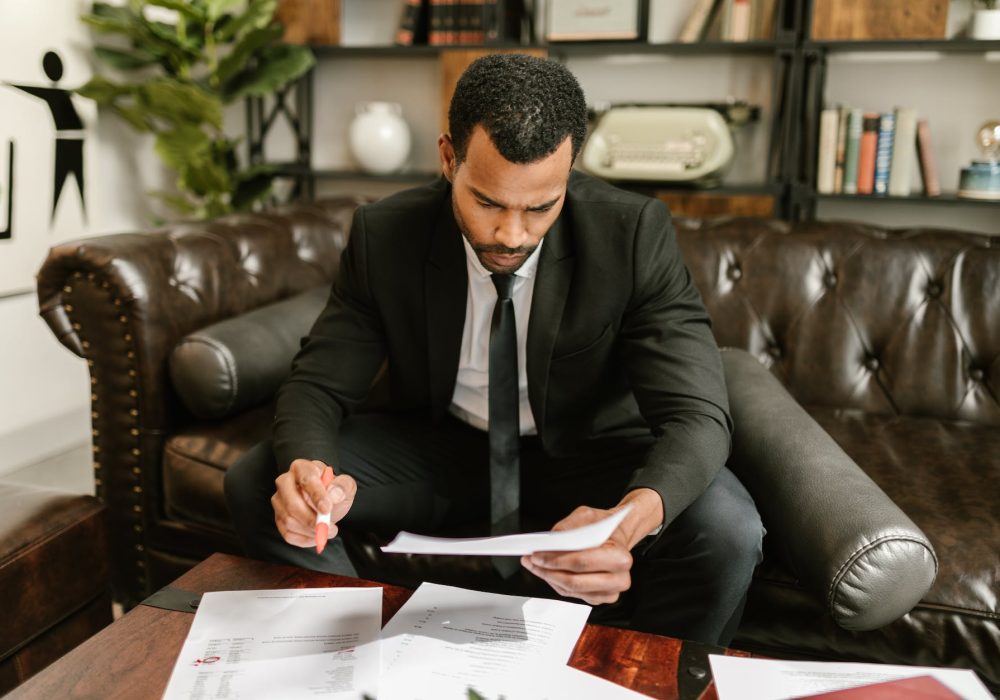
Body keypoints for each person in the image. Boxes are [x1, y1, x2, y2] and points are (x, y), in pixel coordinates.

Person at [225, 53, 763, 646]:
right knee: (261, 479)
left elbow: (697, 414)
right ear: (449, 157)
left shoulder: (633, 233)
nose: (512, 235)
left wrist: (624, 523)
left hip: (586, 456)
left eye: (540, 207)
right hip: (444, 448)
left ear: (571, 169)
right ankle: (353, 662)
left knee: (728, 528)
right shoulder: (385, 234)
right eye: (487, 203)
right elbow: (320, 383)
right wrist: (310, 474)